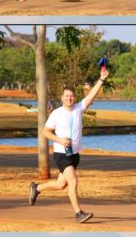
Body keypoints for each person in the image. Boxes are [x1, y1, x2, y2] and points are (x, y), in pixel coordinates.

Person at [28, 69, 110, 223]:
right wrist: (59, 140)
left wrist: (101, 79)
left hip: (75, 155)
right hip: (61, 154)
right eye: (66, 96)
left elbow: (92, 95)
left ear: (74, 98)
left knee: (61, 185)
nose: (69, 98)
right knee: (73, 181)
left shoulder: (79, 108)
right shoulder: (57, 113)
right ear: (62, 98)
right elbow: (45, 132)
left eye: (71, 96)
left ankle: (36, 188)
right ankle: (79, 213)